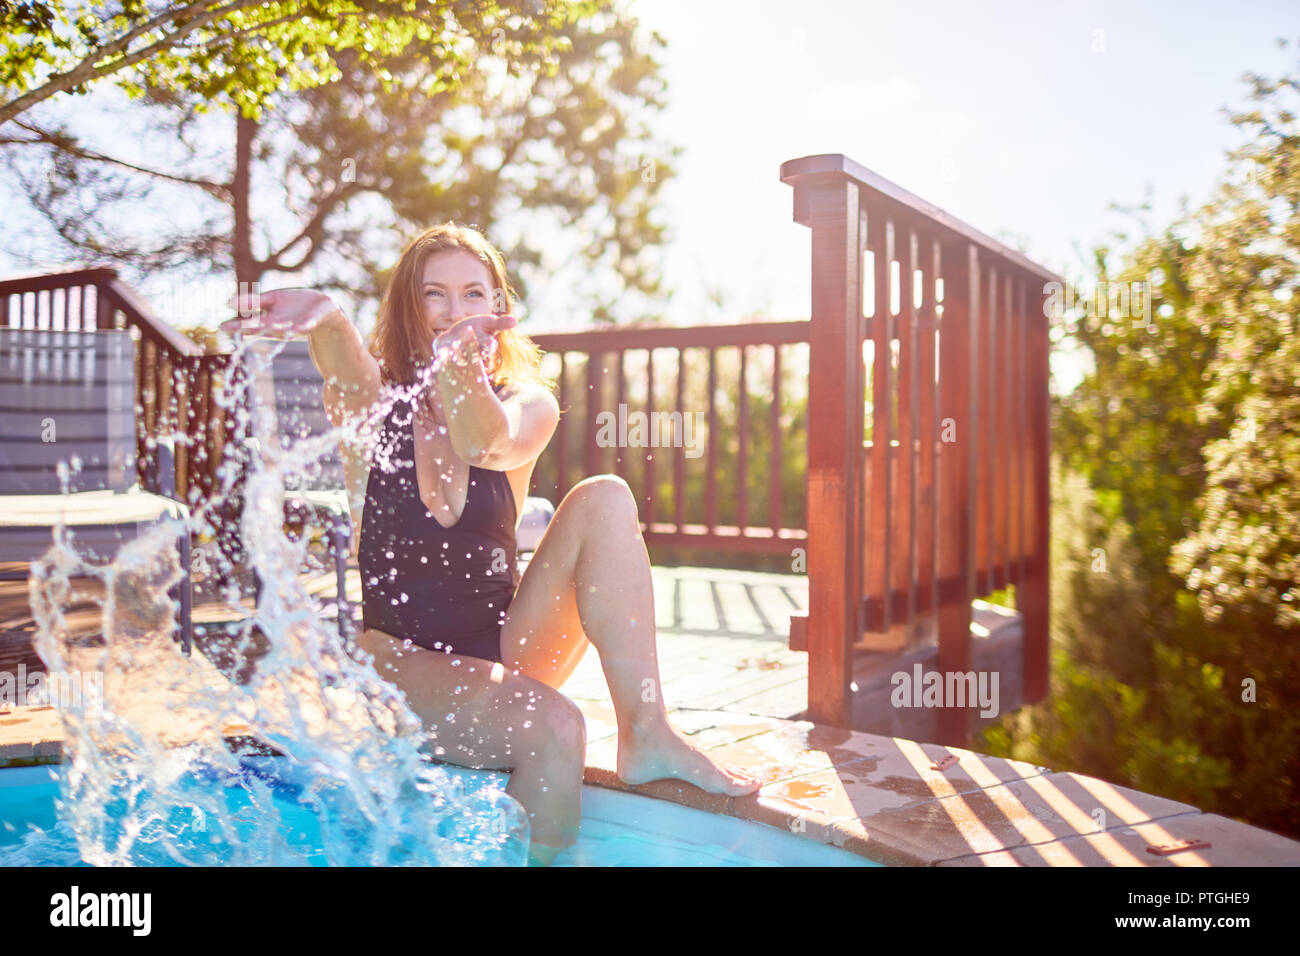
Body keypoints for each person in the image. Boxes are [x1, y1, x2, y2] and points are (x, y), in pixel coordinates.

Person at [223, 222, 759, 865]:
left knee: (606, 497)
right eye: (435, 296)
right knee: (557, 730)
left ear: (498, 309)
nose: (455, 311)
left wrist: (458, 366)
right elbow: (343, 364)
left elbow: (485, 441)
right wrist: (328, 318)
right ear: (407, 310)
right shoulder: (375, 406)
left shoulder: (525, 403)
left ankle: (647, 733)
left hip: (504, 643)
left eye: (474, 294)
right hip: (404, 667)